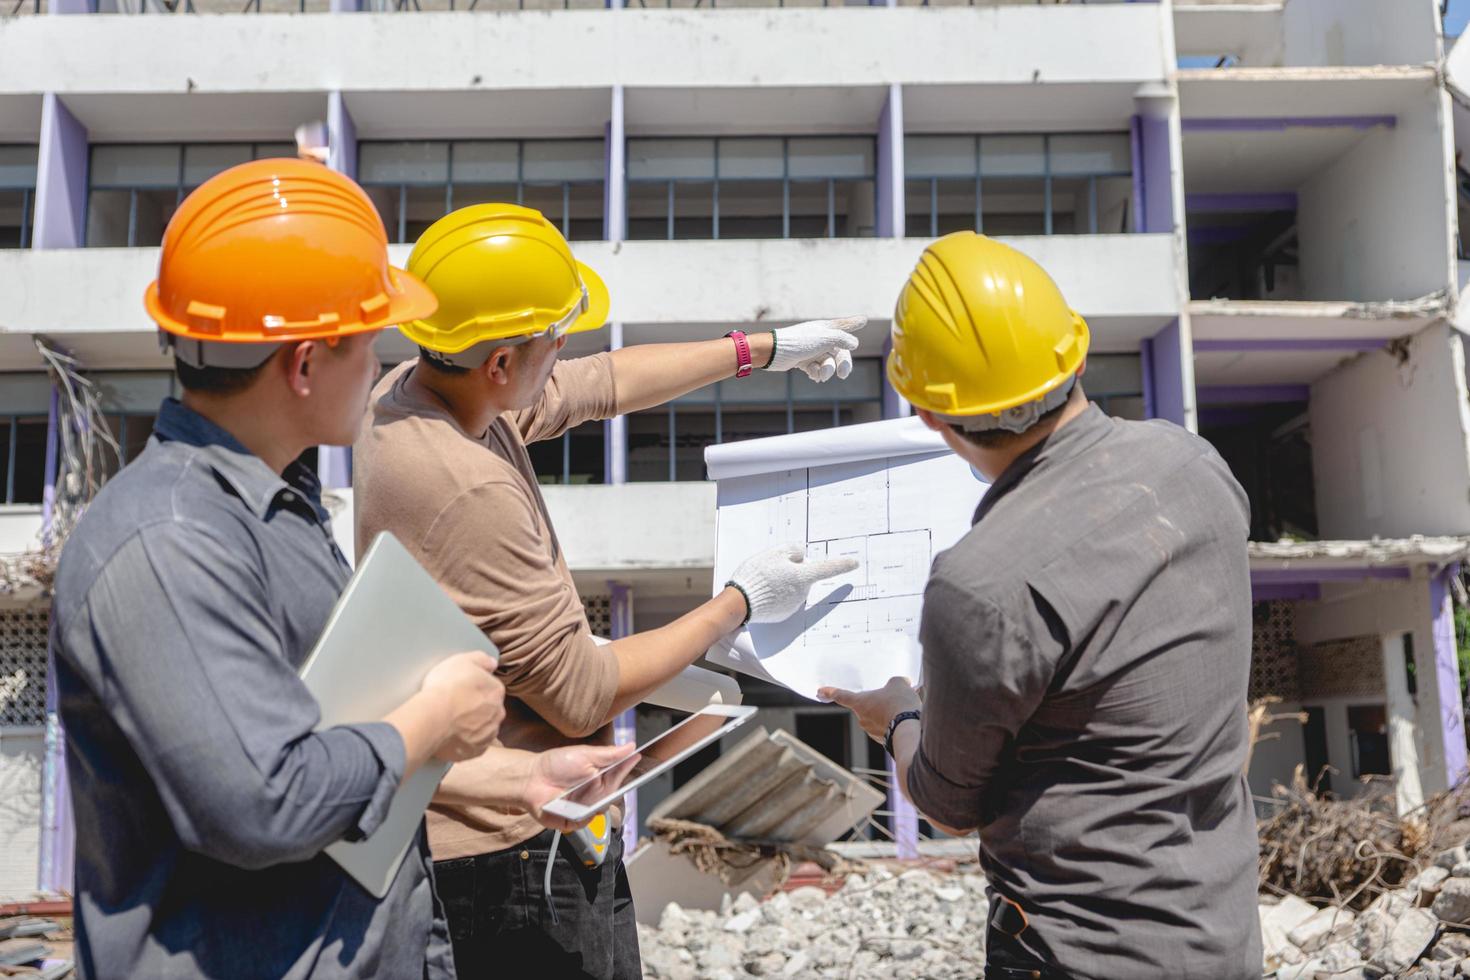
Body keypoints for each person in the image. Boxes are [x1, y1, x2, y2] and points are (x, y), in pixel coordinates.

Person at [51, 160, 634, 980]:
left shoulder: (278, 510)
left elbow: (340, 748)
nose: (381, 364)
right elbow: (267, 800)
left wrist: (518, 776)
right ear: (304, 365)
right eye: (367, 340)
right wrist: (434, 720)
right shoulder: (166, 544)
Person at [353, 202, 861, 979]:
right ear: (500, 363)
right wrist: (740, 602)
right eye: (556, 339)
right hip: (509, 859)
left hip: (508, 838)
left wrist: (765, 349)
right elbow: (582, 696)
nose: (566, 352)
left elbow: (603, 381)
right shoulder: (463, 486)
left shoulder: (426, 392)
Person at [821, 232, 1262, 980]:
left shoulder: (979, 583)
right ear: (1076, 356)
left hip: (1079, 954)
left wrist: (897, 715)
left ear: (927, 413)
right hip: (1223, 937)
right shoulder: (1195, 467)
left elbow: (946, 801)